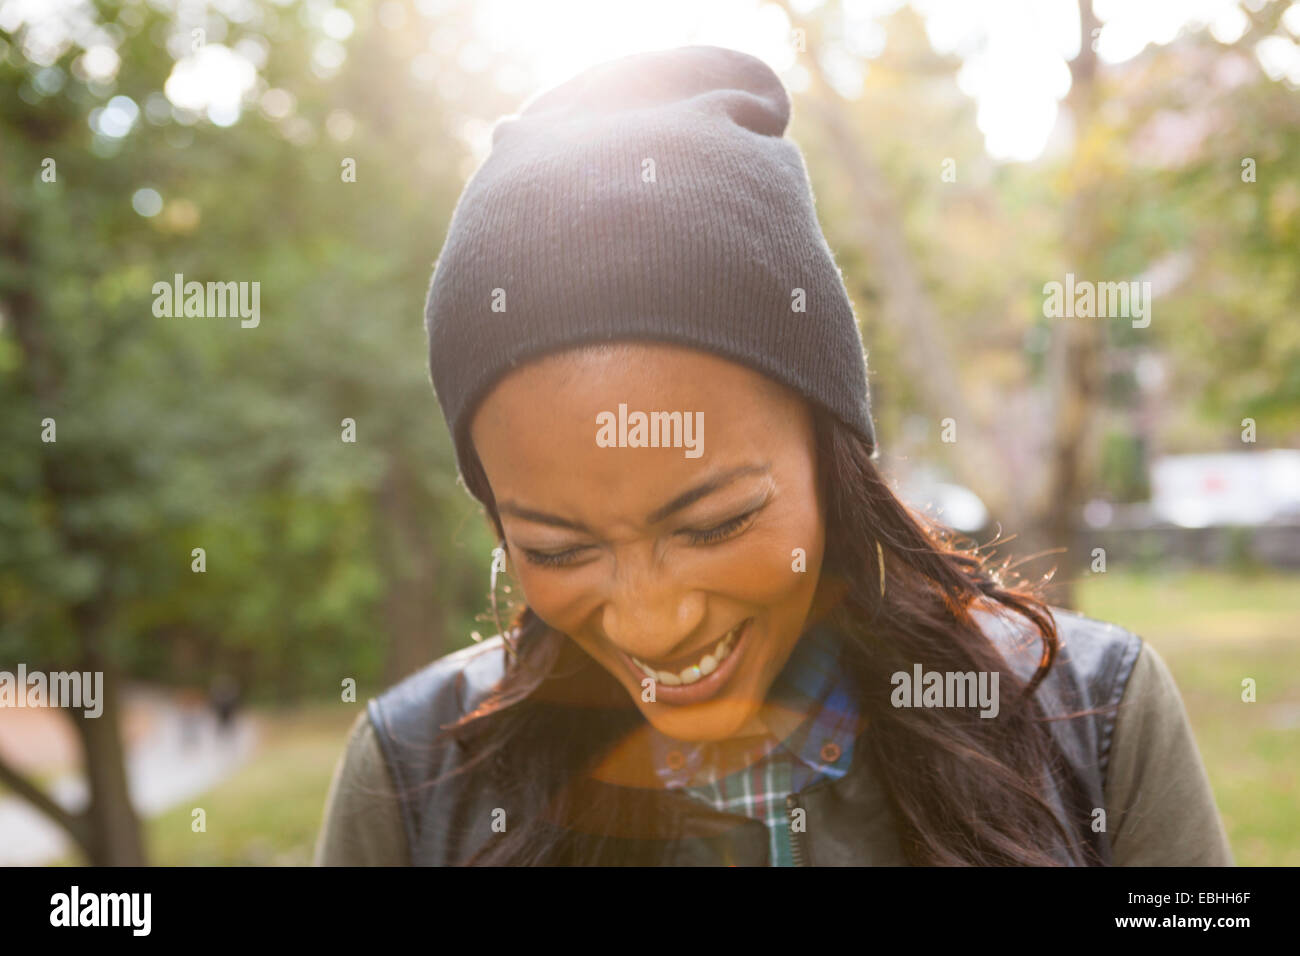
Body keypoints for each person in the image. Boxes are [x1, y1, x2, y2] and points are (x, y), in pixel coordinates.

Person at [315, 45, 1233, 866]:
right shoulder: (412, 782)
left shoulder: (1095, 723)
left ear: (833, 455)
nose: (651, 623)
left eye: (713, 522)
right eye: (558, 549)